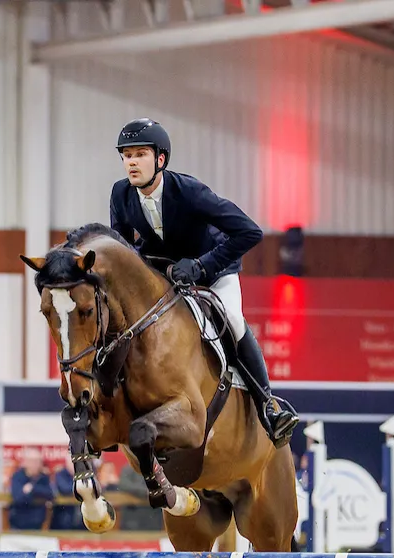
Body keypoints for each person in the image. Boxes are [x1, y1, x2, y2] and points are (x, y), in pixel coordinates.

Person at [108, 117, 299, 443]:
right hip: (167, 274)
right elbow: (123, 252)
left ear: (160, 159)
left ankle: (268, 406)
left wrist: (201, 266)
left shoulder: (189, 192)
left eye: (140, 154)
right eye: (127, 155)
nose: (131, 163)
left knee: (233, 320)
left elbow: (249, 232)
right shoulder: (121, 194)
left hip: (213, 270)